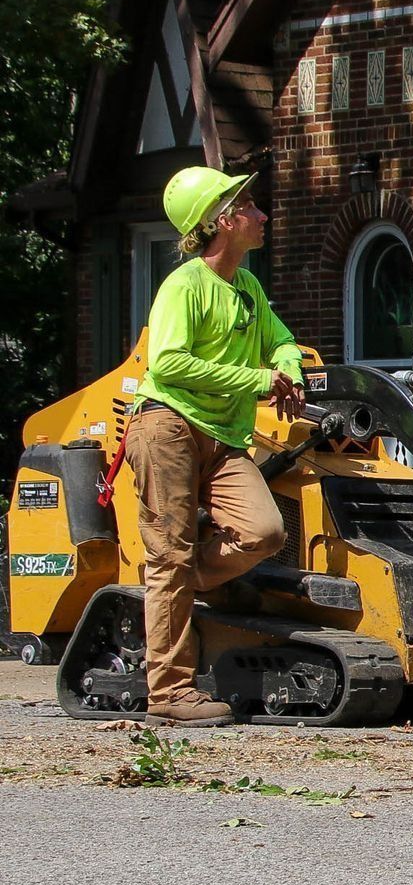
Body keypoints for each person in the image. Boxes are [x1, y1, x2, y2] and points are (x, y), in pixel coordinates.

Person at [125, 166, 305, 727]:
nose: (262, 215)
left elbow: (281, 340)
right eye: (250, 207)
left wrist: (288, 367)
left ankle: (179, 579)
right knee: (169, 555)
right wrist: (256, 381)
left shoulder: (247, 288)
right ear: (222, 221)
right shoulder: (183, 286)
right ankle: (170, 693)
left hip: (223, 436)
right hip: (168, 427)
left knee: (264, 532)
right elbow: (168, 363)